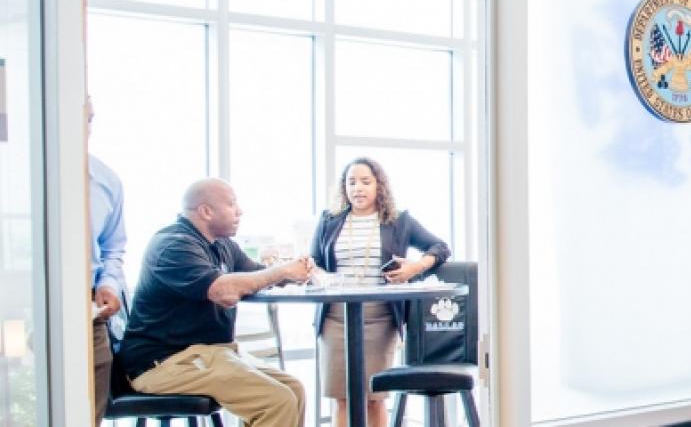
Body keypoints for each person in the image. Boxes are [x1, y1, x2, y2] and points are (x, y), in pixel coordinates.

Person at [118, 178, 313, 427]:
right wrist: (282, 272)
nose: (240, 211)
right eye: (232, 204)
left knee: (294, 390)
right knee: (277, 400)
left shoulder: (222, 245)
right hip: (164, 362)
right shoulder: (173, 245)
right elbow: (224, 291)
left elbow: (257, 275)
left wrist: (296, 270)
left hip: (210, 353)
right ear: (206, 211)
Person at [310, 157, 451, 427]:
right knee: (342, 397)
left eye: (365, 181)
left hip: (380, 319)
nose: (357, 188)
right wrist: (316, 274)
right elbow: (313, 262)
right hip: (335, 318)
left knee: (375, 396)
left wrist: (414, 268)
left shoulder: (399, 221)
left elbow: (440, 247)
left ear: (379, 186)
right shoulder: (329, 220)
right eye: (351, 182)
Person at [87, 97, 128, 422]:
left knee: (91, 409)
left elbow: (113, 248)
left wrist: (109, 283)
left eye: (89, 119)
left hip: (91, 311)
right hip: (29, 309)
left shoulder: (106, 181)